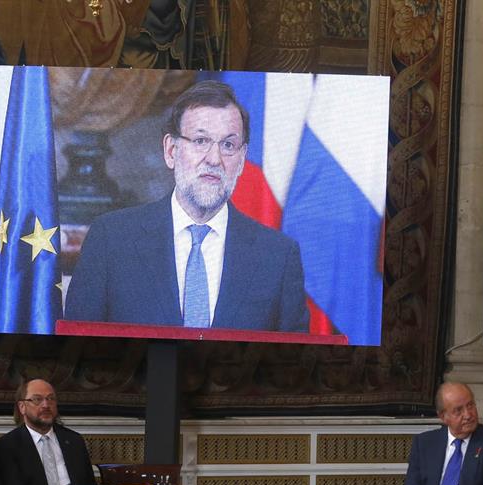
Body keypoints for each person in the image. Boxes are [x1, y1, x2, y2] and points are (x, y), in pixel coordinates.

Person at [65, 80, 309, 333]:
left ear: (241, 158)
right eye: (201, 141)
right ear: (171, 151)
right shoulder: (111, 239)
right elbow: (78, 350)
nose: (214, 159)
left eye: (228, 145)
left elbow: (293, 364)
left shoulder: (278, 255)